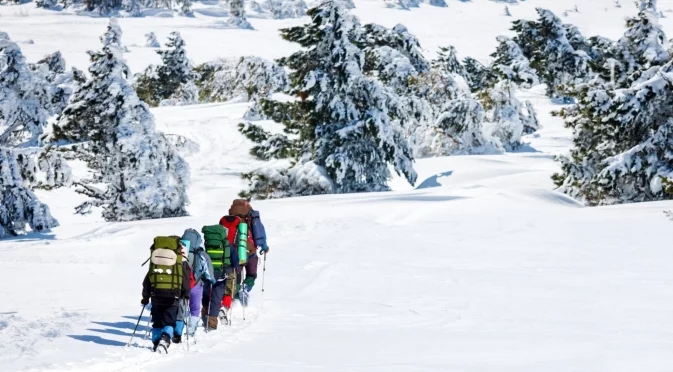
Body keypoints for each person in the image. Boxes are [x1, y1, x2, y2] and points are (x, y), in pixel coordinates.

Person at [141, 236, 190, 352]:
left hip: (156, 295)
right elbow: (185, 280)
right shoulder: (178, 262)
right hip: (173, 296)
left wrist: (145, 297)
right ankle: (165, 338)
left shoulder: (156, 262)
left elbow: (147, 281)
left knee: (157, 321)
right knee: (169, 320)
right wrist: (186, 294)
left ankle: (156, 342)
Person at [220, 199, 269, 307]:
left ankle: (233, 298)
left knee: (235, 276)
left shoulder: (228, 219)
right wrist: (264, 247)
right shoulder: (252, 217)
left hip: (231, 251)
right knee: (251, 274)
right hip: (250, 250)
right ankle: (245, 288)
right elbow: (259, 233)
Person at [201, 224, 238, 330]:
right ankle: (212, 321)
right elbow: (235, 261)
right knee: (217, 297)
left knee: (206, 294)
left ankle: (204, 314)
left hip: (207, 273)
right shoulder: (227, 245)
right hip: (222, 274)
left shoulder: (206, 244)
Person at [180, 229, 216, 336]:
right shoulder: (201, 253)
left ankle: (178, 328)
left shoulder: (179, 251)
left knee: (181, 306)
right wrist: (212, 280)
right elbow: (208, 271)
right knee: (195, 308)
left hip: (181, 284)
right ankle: (191, 329)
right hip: (196, 284)